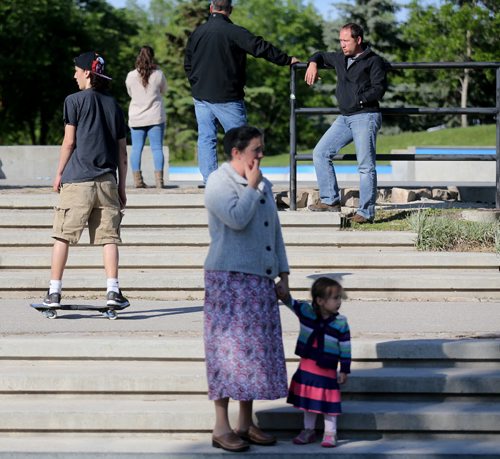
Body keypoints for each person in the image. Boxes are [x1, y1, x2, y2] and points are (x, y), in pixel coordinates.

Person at [203, 125, 290, 452]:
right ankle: (221, 426)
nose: (261, 155)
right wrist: (252, 188)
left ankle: (246, 422)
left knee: (252, 354)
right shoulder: (218, 182)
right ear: (236, 153)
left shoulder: (262, 183)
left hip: (260, 278)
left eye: (262, 148)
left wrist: (283, 274)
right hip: (228, 278)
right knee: (226, 352)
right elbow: (236, 218)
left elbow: (274, 231)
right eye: (256, 149)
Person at [42, 51, 129, 309]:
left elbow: (69, 142)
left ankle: (54, 292)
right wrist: (121, 187)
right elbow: (122, 153)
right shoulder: (114, 105)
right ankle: (113, 290)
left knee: (62, 236)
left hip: (77, 180)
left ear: (88, 73)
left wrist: (59, 173)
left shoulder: (73, 101)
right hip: (106, 182)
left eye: (77, 71)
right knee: (109, 238)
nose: (74, 75)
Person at [184, 0, 299, 184]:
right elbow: (260, 47)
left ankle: (211, 182)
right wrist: (286, 60)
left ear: (211, 8)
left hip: (201, 95)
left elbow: (188, 62)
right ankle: (244, 179)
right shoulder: (234, 32)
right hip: (227, 96)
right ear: (230, 10)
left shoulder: (198, 33)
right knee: (242, 139)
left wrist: (196, 83)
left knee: (206, 139)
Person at [305, 23, 387, 223]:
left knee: (366, 166)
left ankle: (366, 213)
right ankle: (330, 201)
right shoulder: (340, 58)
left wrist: (358, 100)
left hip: (365, 116)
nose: (342, 44)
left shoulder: (373, 61)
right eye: (340, 40)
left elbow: (379, 89)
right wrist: (313, 63)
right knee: (320, 153)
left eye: (345, 40)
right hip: (345, 118)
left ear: (358, 40)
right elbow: (320, 55)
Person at [277, 277, 351, 448]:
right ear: (320, 300)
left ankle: (330, 433)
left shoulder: (341, 322)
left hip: (327, 370)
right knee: (308, 402)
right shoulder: (306, 312)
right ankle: (308, 430)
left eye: (340, 297)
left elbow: (345, 347)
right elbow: (291, 303)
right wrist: (283, 294)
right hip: (307, 368)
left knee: (329, 403)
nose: (339, 301)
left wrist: (344, 369)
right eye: (335, 298)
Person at [126, 45, 167, 189]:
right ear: (153, 57)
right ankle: (159, 182)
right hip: (155, 117)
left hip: (136, 117)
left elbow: (130, 93)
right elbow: (164, 91)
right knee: (157, 148)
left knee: (136, 148)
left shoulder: (131, 76)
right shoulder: (158, 74)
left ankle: (137, 181)